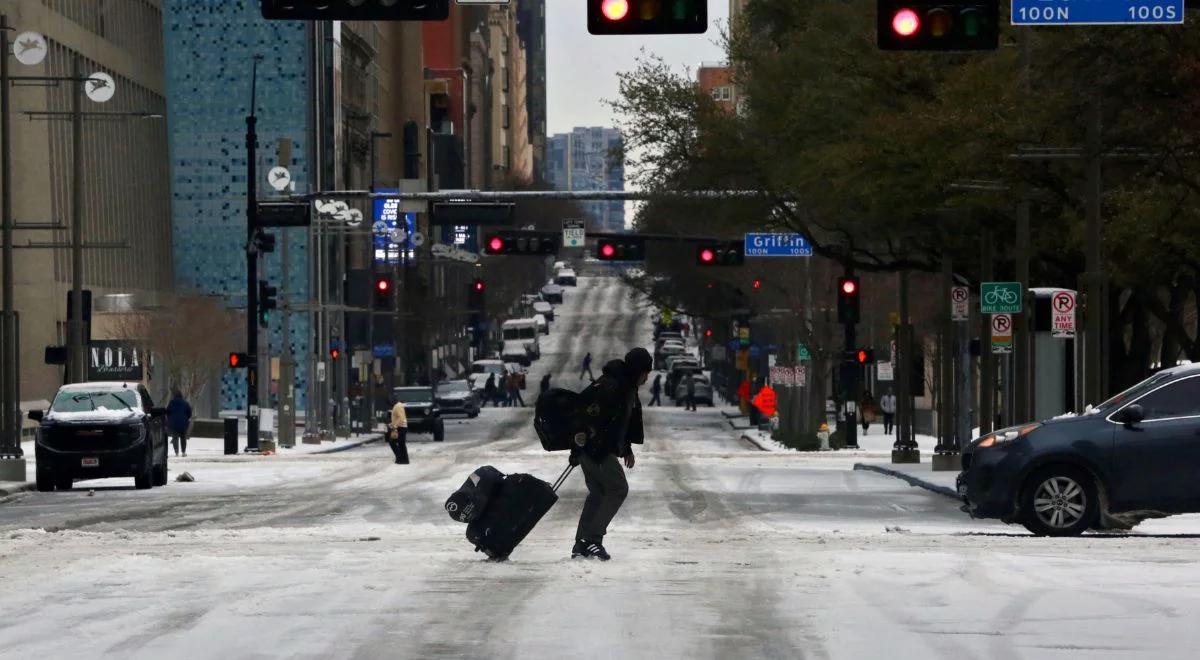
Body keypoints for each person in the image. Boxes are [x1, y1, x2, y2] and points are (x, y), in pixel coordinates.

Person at [570, 347, 652, 561]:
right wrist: (578, 444)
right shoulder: (612, 386)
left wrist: (627, 449)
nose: (646, 378)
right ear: (638, 370)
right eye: (645, 372)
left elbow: (621, 422)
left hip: (596, 448)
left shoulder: (625, 387)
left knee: (598, 493)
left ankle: (582, 543)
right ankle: (592, 540)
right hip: (595, 449)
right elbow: (587, 413)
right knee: (618, 488)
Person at [166, 388, 192, 457]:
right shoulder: (185, 403)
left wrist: (170, 419)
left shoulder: (171, 403)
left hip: (173, 424)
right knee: (183, 438)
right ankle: (183, 452)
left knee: (175, 438)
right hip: (183, 424)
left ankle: (176, 452)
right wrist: (186, 419)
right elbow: (189, 413)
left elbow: (167, 412)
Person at [387, 397, 409, 464]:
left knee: (393, 442)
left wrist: (395, 426)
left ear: (394, 400)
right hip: (401, 426)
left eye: (391, 401)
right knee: (401, 444)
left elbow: (401, 418)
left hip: (400, 427)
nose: (390, 402)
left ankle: (401, 458)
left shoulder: (398, 406)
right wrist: (392, 424)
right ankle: (403, 459)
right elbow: (398, 418)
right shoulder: (399, 405)